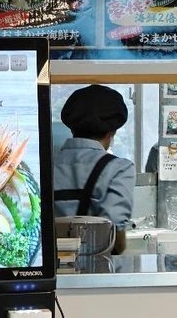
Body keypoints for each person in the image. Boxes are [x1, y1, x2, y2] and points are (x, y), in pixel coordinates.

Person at [53, 84, 136, 254]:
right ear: (112, 132)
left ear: (72, 128)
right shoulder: (119, 169)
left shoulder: (43, 167)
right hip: (94, 273)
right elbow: (116, 242)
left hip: (49, 273)